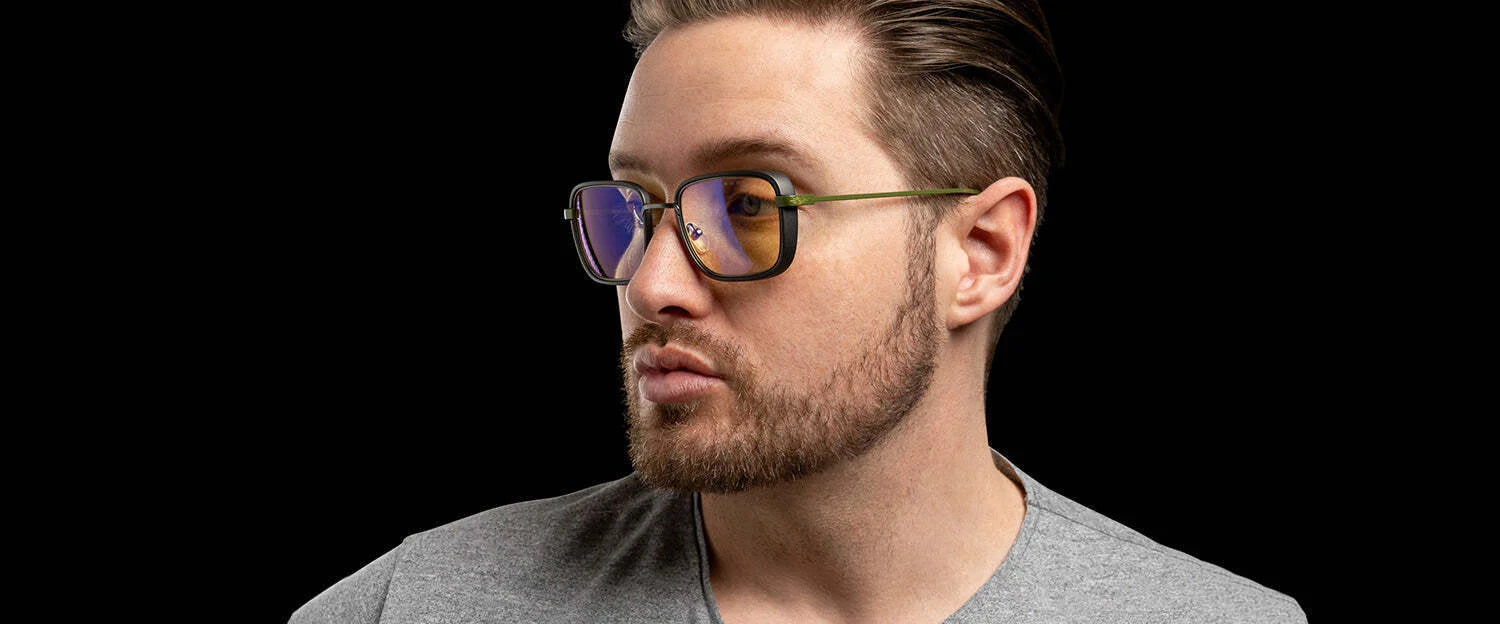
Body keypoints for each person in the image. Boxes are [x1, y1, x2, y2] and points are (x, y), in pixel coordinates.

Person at [291, 1, 1306, 622]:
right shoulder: (415, 605)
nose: (652, 285)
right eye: (634, 207)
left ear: (981, 254)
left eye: (750, 205)